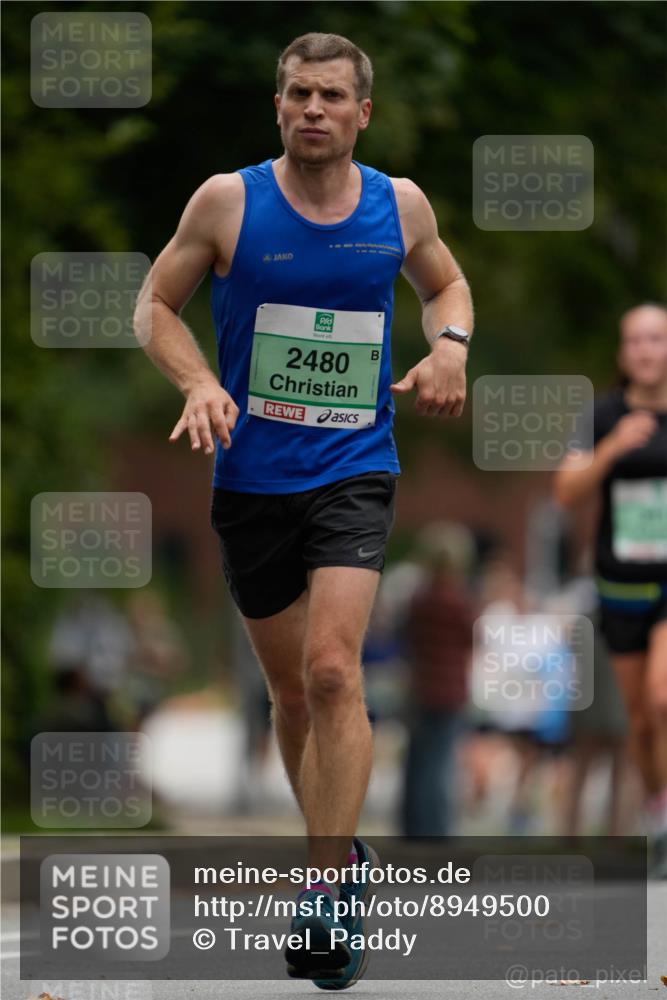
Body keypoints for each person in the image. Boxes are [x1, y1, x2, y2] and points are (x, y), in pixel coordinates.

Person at [134, 31, 473, 985]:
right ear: (277, 105)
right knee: (289, 694)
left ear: (363, 112)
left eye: (330, 95)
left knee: (333, 673)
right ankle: (343, 856)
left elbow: (444, 281)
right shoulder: (227, 201)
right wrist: (199, 382)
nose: (311, 109)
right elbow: (154, 305)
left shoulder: (396, 204)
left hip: (354, 468)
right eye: (296, 94)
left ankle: (324, 888)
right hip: (249, 479)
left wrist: (447, 343)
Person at [553, 303, 667, 876]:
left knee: (662, 697)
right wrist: (615, 446)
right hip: (620, 580)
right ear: (624, 354)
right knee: (641, 719)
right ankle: (659, 808)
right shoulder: (601, 415)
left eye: (657, 339)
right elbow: (566, 492)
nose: (647, 349)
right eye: (636, 341)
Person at [400, 522, 477, 838]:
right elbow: (473, 638)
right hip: (451, 690)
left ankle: (413, 826)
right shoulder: (459, 602)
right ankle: (437, 829)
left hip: (420, 686)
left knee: (417, 762)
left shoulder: (419, 600)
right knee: (441, 764)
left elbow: (406, 638)